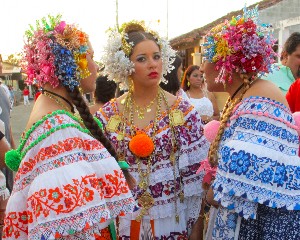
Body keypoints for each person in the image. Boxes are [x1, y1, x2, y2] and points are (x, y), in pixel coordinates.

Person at [2, 15, 136, 239]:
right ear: (75, 63)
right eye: (91, 58)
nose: (96, 67)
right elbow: (73, 226)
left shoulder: (50, 108)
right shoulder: (58, 127)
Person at [97, 20, 209, 239]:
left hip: (172, 222)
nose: (152, 64)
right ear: (124, 65)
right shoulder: (108, 116)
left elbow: (196, 185)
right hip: (125, 224)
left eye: (156, 56)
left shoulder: (184, 113)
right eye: (142, 59)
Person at [199, 6, 300, 240]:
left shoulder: (261, 96)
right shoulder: (245, 94)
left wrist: (215, 190)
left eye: (206, 59)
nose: (202, 68)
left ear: (226, 63)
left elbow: (249, 164)